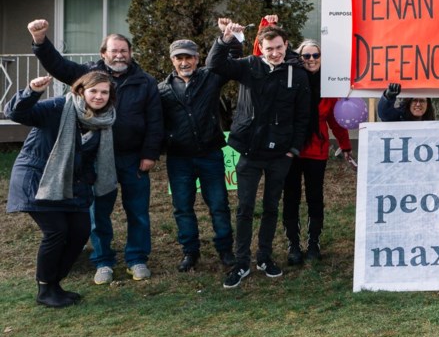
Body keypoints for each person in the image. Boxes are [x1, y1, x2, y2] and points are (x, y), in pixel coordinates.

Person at [28, 19, 162, 285]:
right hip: (97, 158)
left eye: (124, 50)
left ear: (130, 53)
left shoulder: (145, 81)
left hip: (134, 158)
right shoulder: (88, 74)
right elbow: (58, 66)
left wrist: (150, 154)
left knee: (138, 211)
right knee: (97, 213)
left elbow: (155, 121)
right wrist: (40, 41)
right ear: (104, 54)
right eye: (114, 51)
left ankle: (137, 259)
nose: (119, 55)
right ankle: (103, 262)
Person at [208, 19, 311, 289]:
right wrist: (225, 40)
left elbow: (303, 116)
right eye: (269, 48)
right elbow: (215, 66)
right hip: (250, 151)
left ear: (286, 46)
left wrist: (294, 149)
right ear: (261, 48)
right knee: (244, 208)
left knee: (270, 207)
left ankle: (264, 256)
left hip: (280, 155)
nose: (274, 53)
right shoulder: (249, 66)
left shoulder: (297, 74)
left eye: (278, 47)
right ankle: (242, 262)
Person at [6, 72, 116, 307]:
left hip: (71, 185)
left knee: (80, 231)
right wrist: (32, 93)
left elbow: (86, 159)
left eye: (104, 92)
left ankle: (55, 283)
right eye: (93, 91)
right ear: (80, 91)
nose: (98, 96)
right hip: (39, 180)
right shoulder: (58, 107)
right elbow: (17, 113)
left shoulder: (104, 120)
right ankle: (45, 289)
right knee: (56, 232)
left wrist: (89, 182)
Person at [158, 37, 237, 272]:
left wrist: (226, 40)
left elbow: (229, 61)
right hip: (178, 158)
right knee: (182, 207)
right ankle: (190, 252)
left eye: (189, 57)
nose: (184, 62)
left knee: (219, 204)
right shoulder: (161, 89)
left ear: (197, 58)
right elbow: (155, 122)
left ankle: (225, 250)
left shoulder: (211, 78)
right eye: (179, 58)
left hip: (210, 154)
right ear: (172, 60)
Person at [282, 40, 353, 266]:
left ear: (322, 58)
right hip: (291, 149)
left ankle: (314, 243)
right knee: (291, 196)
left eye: (316, 55)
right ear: (299, 58)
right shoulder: (291, 80)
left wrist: (346, 145)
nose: (311, 60)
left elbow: (335, 119)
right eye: (306, 56)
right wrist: (265, 26)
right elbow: (262, 54)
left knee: (315, 198)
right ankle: (293, 244)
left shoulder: (329, 87)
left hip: (317, 150)